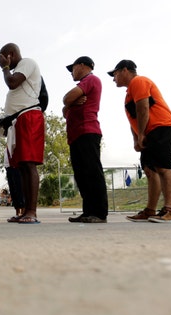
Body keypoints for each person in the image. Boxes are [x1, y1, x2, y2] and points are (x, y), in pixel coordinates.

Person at [108, 60, 171, 223]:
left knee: (163, 167)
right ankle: (150, 210)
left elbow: (143, 107)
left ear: (125, 70)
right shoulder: (128, 93)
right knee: (149, 170)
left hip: (162, 127)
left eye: (115, 74)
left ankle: (169, 210)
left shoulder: (139, 81)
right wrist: (136, 138)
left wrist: (141, 135)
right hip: (147, 132)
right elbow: (134, 117)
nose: (113, 78)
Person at [0, 43, 44, 224]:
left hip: (29, 116)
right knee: (22, 166)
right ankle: (25, 210)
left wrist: (5, 68)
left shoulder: (27, 62)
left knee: (29, 164)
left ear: (10, 54)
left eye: (2, 56)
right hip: (18, 120)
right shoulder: (18, 67)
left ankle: (32, 211)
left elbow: (12, 82)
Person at [62, 56, 108, 223]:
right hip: (75, 135)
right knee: (81, 175)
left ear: (82, 65)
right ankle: (88, 211)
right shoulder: (82, 86)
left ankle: (100, 213)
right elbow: (64, 109)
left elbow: (66, 99)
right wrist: (72, 105)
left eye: (73, 68)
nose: (71, 73)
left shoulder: (91, 79)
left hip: (88, 131)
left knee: (92, 173)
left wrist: (69, 103)